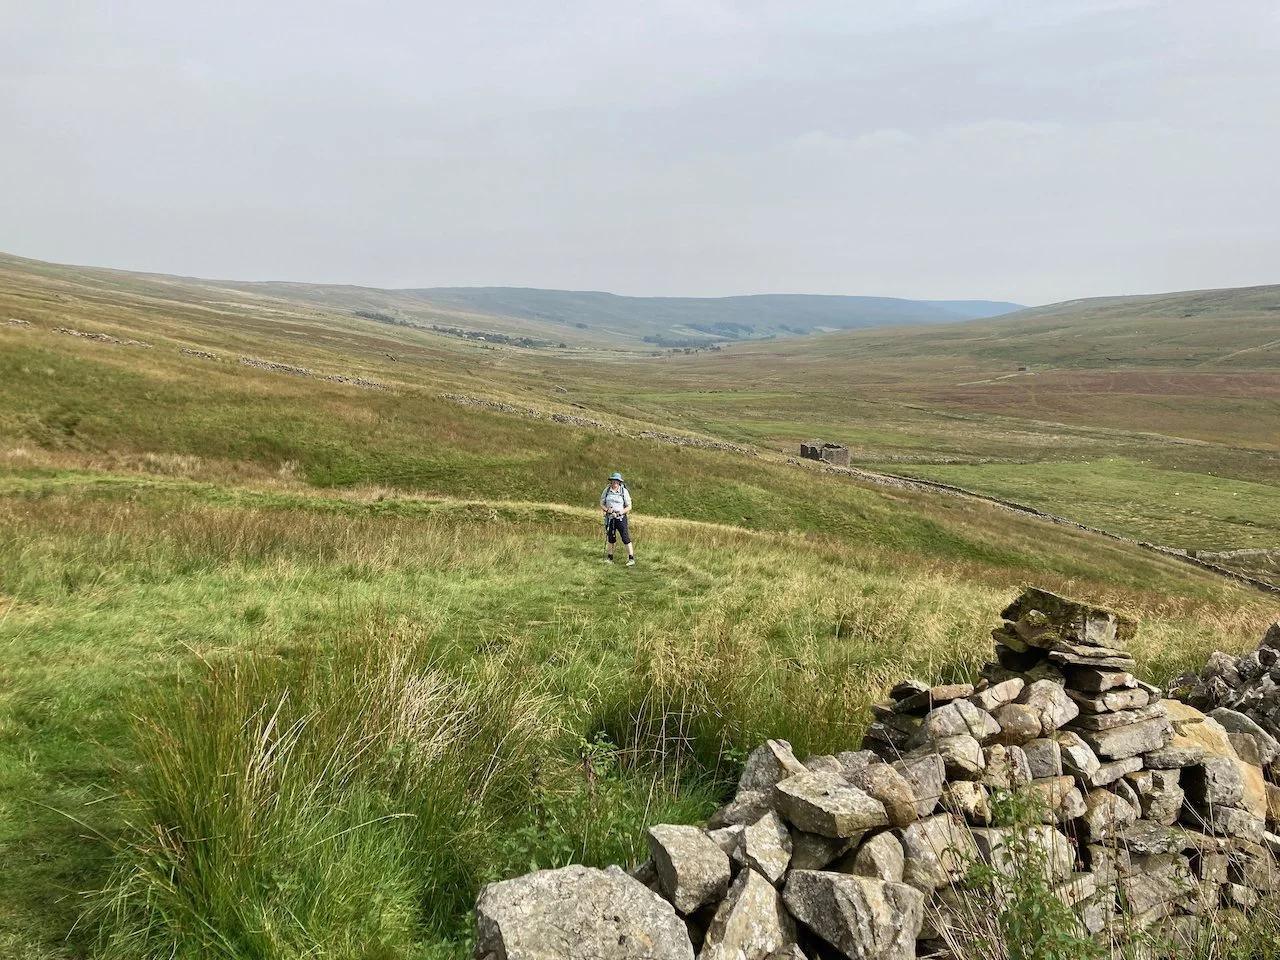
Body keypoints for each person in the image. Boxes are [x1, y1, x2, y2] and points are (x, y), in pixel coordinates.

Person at [599, 471, 635, 565]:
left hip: (621, 518)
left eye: (616, 481)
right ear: (611, 481)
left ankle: (631, 558)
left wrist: (619, 513)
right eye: (613, 481)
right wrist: (607, 510)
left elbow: (629, 506)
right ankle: (610, 558)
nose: (614, 483)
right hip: (610, 518)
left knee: (625, 537)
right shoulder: (607, 490)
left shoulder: (624, 491)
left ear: (619, 482)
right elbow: (601, 503)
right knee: (611, 537)